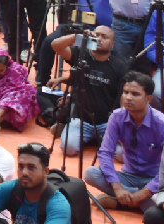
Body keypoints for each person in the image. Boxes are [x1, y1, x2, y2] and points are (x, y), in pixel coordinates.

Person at [85, 71, 164, 213]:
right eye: (126, 92)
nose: (128, 98)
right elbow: (105, 153)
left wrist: (145, 192)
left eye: (135, 94)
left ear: (148, 98)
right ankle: (135, 202)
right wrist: (118, 187)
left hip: (155, 180)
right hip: (128, 177)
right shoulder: (117, 117)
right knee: (91, 173)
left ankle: (121, 203)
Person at [50, 26, 128, 156]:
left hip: (107, 123)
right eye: (96, 35)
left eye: (105, 37)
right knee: (68, 148)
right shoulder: (81, 55)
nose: (99, 39)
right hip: (81, 120)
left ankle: (94, 139)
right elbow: (55, 45)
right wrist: (78, 36)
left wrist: (121, 126)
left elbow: (122, 98)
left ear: (113, 44)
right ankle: (89, 138)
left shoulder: (120, 67)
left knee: (122, 154)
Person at [36, 0, 112, 85]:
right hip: (77, 27)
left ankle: (82, 82)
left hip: (99, 31)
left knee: (88, 49)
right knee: (48, 42)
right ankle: (43, 83)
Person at [0, 142, 71, 224]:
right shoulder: (9, 189)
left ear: (45, 172)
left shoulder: (58, 204)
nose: (24, 173)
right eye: (21, 167)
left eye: (31, 167)